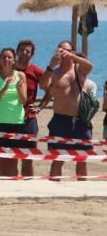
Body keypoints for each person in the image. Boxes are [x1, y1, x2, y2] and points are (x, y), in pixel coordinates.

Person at [40, 40, 95, 180]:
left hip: (80, 120)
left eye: (66, 50)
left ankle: (82, 190)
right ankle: (54, 188)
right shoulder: (55, 73)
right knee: (58, 159)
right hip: (60, 120)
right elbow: (43, 85)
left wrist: (72, 56)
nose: (63, 53)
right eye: (60, 50)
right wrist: (51, 66)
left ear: (72, 51)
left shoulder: (79, 69)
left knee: (82, 159)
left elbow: (90, 66)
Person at [0, 47, 27, 177]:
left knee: (12, 161)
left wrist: (18, 89)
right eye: (4, 57)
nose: (7, 60)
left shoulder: (20, 75)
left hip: (16, 122)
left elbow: (24, 101)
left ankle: (12, 188)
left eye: (9, 57)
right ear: (0, 60)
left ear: (14, 60)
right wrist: (5, 87)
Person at [13, 39, 44, 177]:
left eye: (28, 51)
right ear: (17, 51)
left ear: (31, 54)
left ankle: (28, 184)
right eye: (22, 50)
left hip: (28, 118)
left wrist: (40, 106)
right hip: (9, 118)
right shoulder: (9, 68)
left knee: (28, 157)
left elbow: (51, 87)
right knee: (10, 157)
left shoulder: (36, 71)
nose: (24, 53)